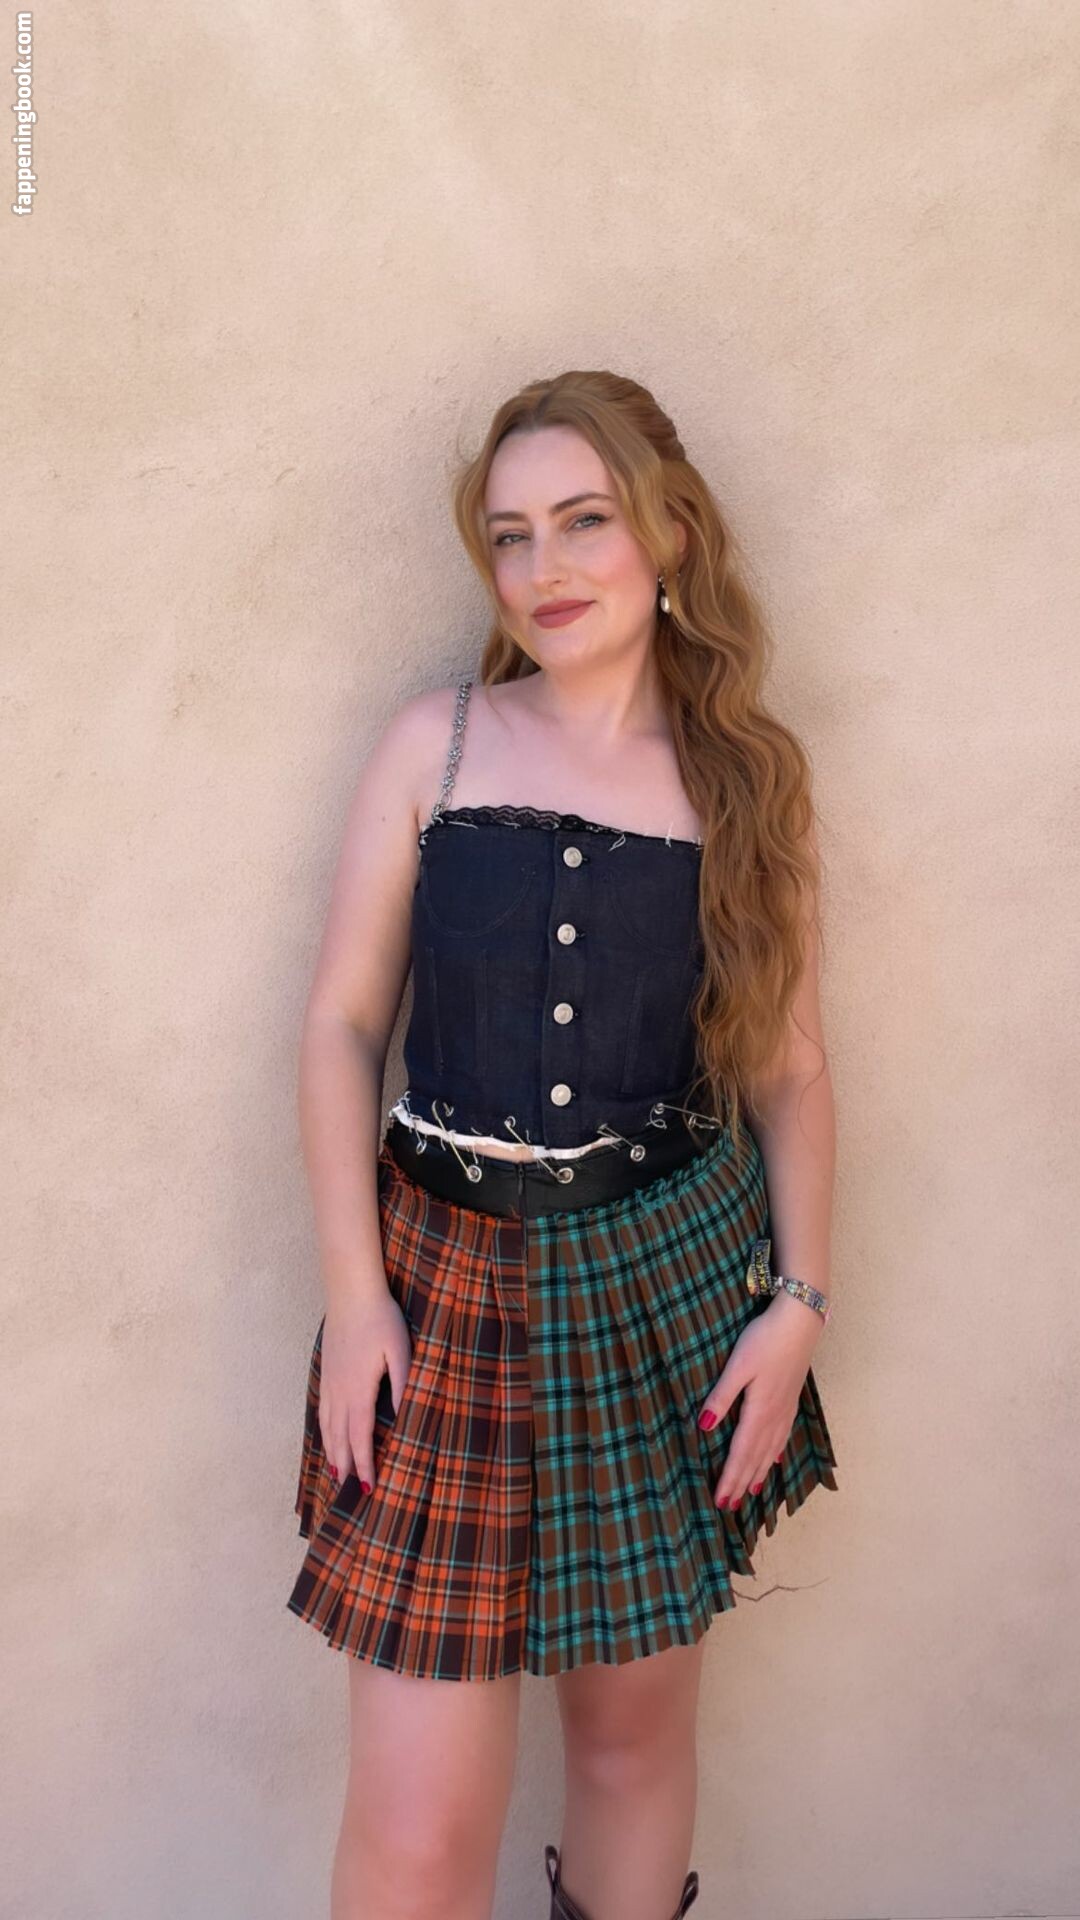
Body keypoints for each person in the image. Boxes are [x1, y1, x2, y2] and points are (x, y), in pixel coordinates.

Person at [285, 369, 840, 1920]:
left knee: (629, 1749)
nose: (545, 568)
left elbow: (792, 1072)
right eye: (512, 535)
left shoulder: (745, 785)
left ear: (670, 533)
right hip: (434, 1292)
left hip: (665, 1290)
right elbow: (340, 1024)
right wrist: (355, 1294)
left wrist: (799, 1306)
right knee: (416, 1826)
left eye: (585, 521)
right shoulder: (438, 743)